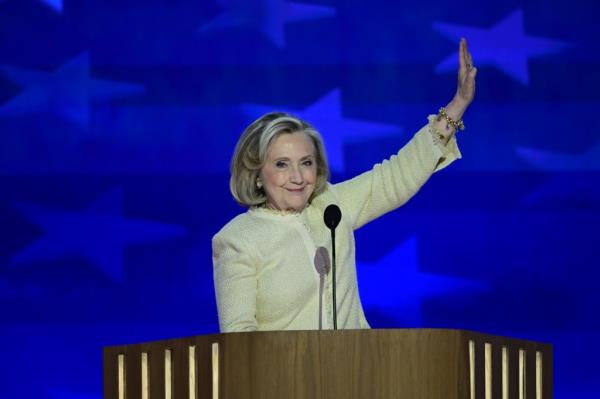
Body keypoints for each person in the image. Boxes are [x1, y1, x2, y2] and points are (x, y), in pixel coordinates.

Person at [212, 38, 477, 332]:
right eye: (282, 164)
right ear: (257, 173)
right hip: (283, 377)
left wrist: (457, 105)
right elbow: (238, 340)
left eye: (307, 162)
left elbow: (395, 176)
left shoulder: (331, 206)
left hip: (357, 369)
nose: (298, 177)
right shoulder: (238, 240)